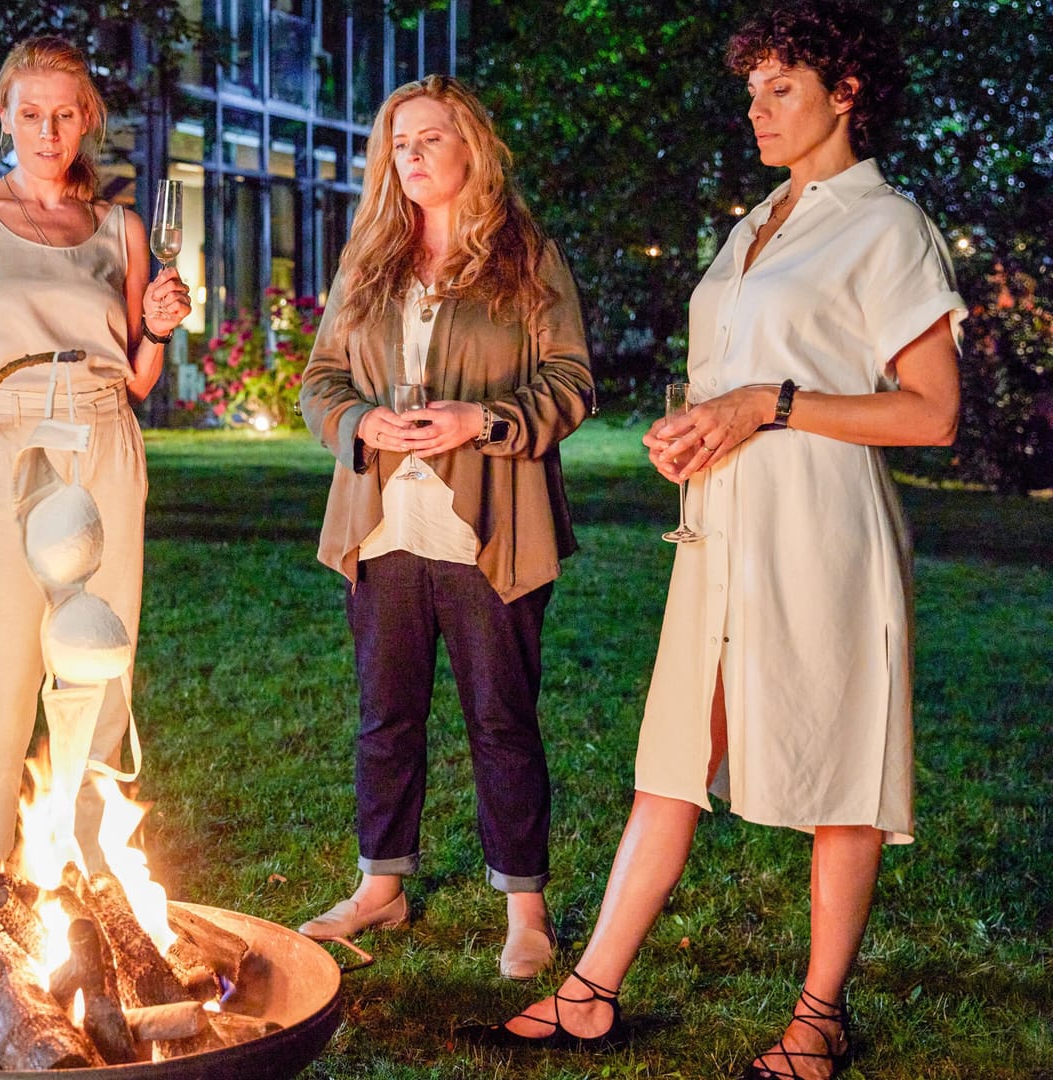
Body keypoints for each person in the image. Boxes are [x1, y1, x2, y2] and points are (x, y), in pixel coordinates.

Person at [474, 4, 963, 1076]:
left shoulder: (888, 228)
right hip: (719, 530)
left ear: (847, 92)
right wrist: (699, 428)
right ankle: (592, 990)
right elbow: (737, 387)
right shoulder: (755, 227)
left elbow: (930, 412)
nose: (758, 112)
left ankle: (819, 1016)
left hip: (822, 534)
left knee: (842, 764)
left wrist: (767, 405)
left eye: (780, 89)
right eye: (751, 93)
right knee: (669, 759)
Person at [296, 75, 594, 980]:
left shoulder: (525, 256)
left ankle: (526, 908)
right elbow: (321, 380)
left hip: (490, 529)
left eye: (430, 138)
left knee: (501, 721)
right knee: (385, 720)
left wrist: (483, 422)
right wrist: (357, 426)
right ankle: (380, 887)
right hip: (384, 527)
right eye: (399, 142)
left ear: (472, 147)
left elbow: (573, 382)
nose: (412, 155)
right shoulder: (370, 256)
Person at [0, 36, 191, 873]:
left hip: (104, 431)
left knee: (98, 669)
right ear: (4, 115)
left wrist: (162, 327)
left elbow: (140, 375)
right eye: (30, 113)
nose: (47, 129)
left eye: (64, 114)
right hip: (8, 436)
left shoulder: (122, 227)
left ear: (87, 121)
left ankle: (88, 894)